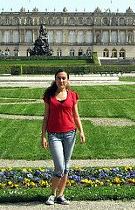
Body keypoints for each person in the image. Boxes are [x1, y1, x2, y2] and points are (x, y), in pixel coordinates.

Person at [41, 69, 86, 205]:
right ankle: (52, 194)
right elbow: (46, 117)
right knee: (59, 166)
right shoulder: (50, 96)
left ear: (68, 81)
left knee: (66, 167)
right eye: (59, 78)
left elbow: (76, 116)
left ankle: (61, 195)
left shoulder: (72, 95)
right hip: (54, 134)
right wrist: (43, 136)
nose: (61, 81)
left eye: (64, 78)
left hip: (69, 133)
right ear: (55, 80)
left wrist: (81, 131)